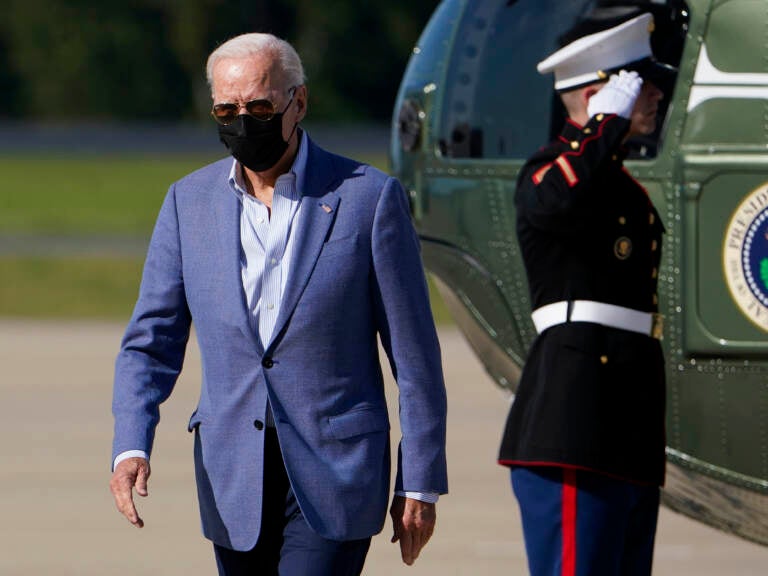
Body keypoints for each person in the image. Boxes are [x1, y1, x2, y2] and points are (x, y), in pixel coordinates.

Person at [109, 32, 448, 576]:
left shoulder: (368, 198)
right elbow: (150, 343)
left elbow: (415, 356)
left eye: (260, 106)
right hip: (231, 477)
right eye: (227, 109)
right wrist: (131, 444)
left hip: (338, 473)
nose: (243, 121)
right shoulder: (186, 203)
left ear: (299, 103)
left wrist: (421, 476)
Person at [498, 11, 675, 576]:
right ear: (605, 96)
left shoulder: (621, 185)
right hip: (576, 421)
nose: (656, 96)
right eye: (641, 86)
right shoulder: (550, 171)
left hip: (626, 421)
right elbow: (553, 204)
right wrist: (600, 128)